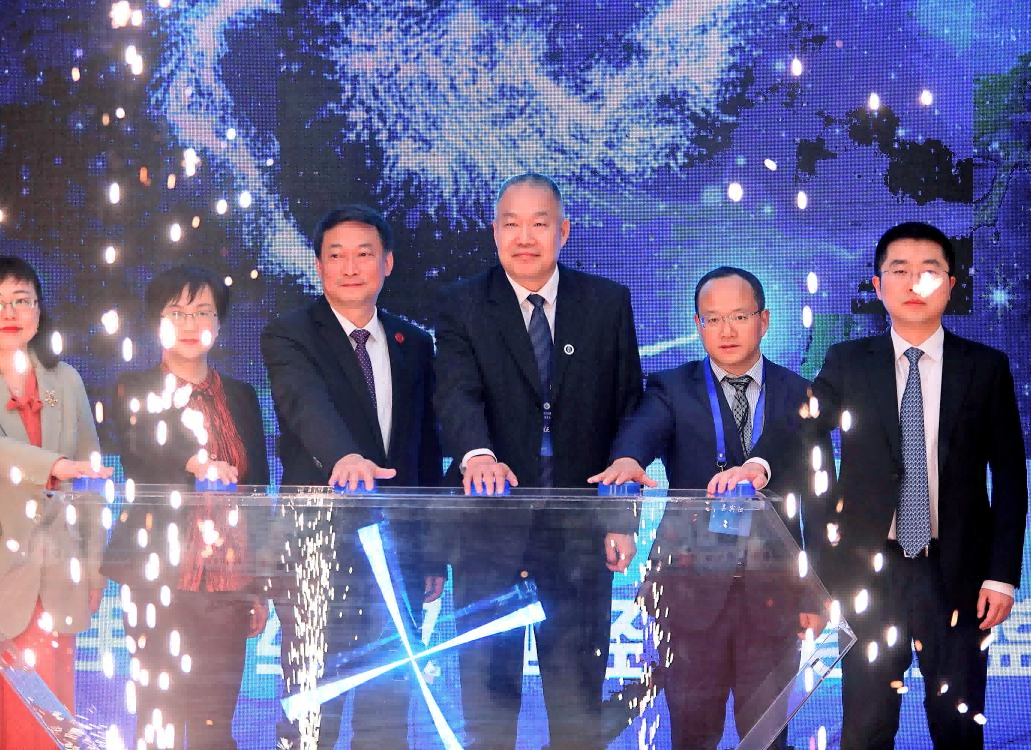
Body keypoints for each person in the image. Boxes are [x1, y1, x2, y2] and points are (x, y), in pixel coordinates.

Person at [710, 222, 1027, 750]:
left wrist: (1002, 577)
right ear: (878, 286)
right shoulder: (849, 361)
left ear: (951, 285)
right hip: (869, 575)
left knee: (957, 725)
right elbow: (802, 424)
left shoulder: (986, 368)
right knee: (866, 725)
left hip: (959, 575)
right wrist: (758, 465)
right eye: (899, 271)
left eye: (929, 271)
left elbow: (1011, 478)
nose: (914, 283)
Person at [433, 172, 644, 749]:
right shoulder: (461, 304)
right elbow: (456, 393)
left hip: (578, 533)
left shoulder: (606, 303)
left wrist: (621, 518)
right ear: (495, 232)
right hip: (489, 530)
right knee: (488, 708)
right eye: (512, 224)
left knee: (576, 708)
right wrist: (478, 455)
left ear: (563, 232)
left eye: (539, 224)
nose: (524, 238)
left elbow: (627, 410)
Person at [591, 266, 833, 748]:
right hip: (690, 591)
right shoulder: (671, 388)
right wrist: (628, 459)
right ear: (698, 325)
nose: (726, 331)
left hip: (775, 593)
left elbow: (821, 502)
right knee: (692, 733)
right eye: (712, 319)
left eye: (739, 316)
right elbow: (639, 436)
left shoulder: (799, 394)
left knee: (767, 736)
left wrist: (818, 592)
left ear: (763, 320)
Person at [261, 205, 443, 748]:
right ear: (319, 266)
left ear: (387, 263)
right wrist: (343, 456)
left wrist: (430, 552)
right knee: (312, 711)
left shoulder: (415, 343)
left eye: (364, 254)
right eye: (336, 255)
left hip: (398, 555)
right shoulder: (290, 335)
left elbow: (426, 451)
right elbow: (304, 404)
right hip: (318, 550)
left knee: (387, 716)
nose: (350, 267)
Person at [0, 255, 111, 750]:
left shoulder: (66, 381)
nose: (9, 312)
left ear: (38, 310)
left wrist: (94, 568)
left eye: (21, 300)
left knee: (46, 727)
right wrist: (54, 465)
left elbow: (92, 482)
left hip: (53, 580)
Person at [100, 265, 270, 748]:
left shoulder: (242, 396)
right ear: (157, 321)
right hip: (159, 579)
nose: (191, 324)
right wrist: (196, 460)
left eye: (203, 312)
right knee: (160, 719)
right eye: (177, 312)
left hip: (228, 585)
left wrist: (260, 583)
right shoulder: (133, 387)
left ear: (219, 322)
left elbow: (257, 490)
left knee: (215, 724)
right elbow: (142, 445)